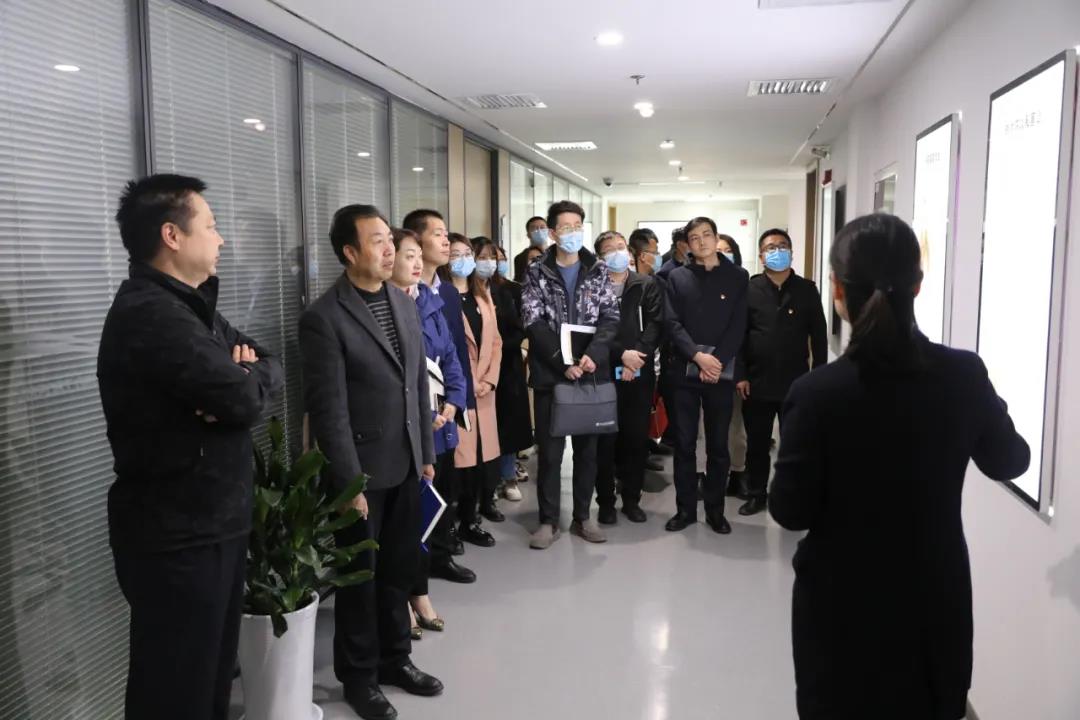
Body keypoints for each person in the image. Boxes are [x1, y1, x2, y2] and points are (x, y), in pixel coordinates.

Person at [769, 213, 1030, 720]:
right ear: (918, 285)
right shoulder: (962, 374)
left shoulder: (816, 392)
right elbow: (1010, 459)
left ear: (837, 290)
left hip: (839, 600)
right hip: (933, 590)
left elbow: (791, 510)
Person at [98, 174, 283, 720]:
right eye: (212, 225)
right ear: (172, 236)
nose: (221, 239)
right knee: (175, 691)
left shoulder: (191, 307)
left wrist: (242, 376)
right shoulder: (151, 313)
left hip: (212, 524)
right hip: (177, 537)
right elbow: (241, 400)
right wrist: (238, 383)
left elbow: (265, 364)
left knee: (209, 684)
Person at [300, 204, 442, 720]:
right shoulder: (324, 318)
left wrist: (426, 453)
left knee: (398, 570)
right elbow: (329, 411)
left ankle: (395, 659)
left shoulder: (402, 301)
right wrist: (348, 483)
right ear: (349, 252)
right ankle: (359, 678)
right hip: (360, 472)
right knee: (358, 580)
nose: (389, 250)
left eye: (389, 239)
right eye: (377, 241)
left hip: (406, 462)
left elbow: (417, 384)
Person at [388, 229, 471, 643]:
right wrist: (427, 415)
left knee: (432, 508)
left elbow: (451, 356)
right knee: (407, 520)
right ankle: (403, 597)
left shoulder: (430, 299)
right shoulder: (386, 306)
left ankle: (420, 592)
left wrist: (454, 401)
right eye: (408, 255)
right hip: (412, 426)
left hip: (442, 423)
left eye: (418, 255)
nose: (417, 263)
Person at [522, 200, 620, 549]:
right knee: (550, 454)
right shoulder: (536, 271)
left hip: (591, 373)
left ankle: (582, 517)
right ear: (552, 233)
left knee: (587, 452)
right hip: (552, 374)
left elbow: (610, 316)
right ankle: (548, 520)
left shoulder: (598, 269)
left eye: (578, 226)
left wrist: (594, 355)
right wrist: (562, 361)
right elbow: (532, 320)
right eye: (566, 227)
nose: (573, 233)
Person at [663, 217, 748, 534]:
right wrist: (698, 357)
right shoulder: (677, 277)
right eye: (694, 237)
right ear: (687, 244)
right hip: (684, 371)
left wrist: (717, 362)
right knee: (684, 444)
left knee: (718, 446)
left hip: (720, 373)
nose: (701, 242)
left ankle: (715, 511)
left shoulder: (738, 276)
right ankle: (685, 510)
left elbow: (739, 324)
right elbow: (671, 323)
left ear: (716, 237)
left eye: (707, 235)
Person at [736, 228, 827, 516]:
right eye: (770, 247)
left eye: (783, 245)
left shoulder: (807, 289)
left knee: (795, 445)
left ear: (791, 252)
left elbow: (819, 336)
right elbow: (739, 336)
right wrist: (741, 374)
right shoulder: (749, 289)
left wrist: (819, 377)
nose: (777, 251)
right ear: (761, 255)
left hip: (796, 383)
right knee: (757, 445)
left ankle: (793, 496)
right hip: (757, 382)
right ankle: (757, 494)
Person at [404, 208, 474, 564]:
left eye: (447, 234)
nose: (446, 241)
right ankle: (424, 560)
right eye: (438, 234)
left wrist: (459, 399)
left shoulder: (442, 292)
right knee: (423, 487)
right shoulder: (399, 300)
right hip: (419, 409)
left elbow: (452, 351)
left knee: (446, 483)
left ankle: (442, 551)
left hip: (446, 403)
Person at [592, 231, 664, 524]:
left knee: (635, 440)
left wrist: (637, 356)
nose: (617, 252)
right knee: (605, 442)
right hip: (604, 373)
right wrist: (622, 354)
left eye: (621, 247)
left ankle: (632, 499)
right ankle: (606, 501)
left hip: (639, 372)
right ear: (600, 258)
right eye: (609, 249)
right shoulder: (592, 287)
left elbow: (656, 324)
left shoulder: (645, 284)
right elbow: (592, 329)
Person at [442, 234, 504, 546]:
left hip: (484, 392)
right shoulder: (442, 296)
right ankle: (450, 527)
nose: (464, 259)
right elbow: (448, 351)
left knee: (481, 461)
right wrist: (467, 384)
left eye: (468, 253)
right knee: (458, 464)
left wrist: (489, 379)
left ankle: (471, 520)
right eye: (456, 254)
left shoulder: (482, 294)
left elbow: (495, 343)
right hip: (459, 393)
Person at [489, 243, 533, 500]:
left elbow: (521, 327)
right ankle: (488, 481)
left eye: (498, 258)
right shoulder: (469, 291)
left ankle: (508, 476)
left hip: (507, 365)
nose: (493, 263)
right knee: (486, 425)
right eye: (485, 257)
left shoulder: (510, 291)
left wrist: (499, 347)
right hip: (479, 370)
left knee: (507, 424)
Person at [513, 215, 549, 282]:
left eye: (542, 227)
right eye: (534, 228)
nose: (539, 231)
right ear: (528, 235)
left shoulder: (555, 254)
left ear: (548, 231)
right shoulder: (521, 258)